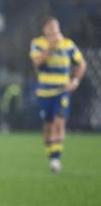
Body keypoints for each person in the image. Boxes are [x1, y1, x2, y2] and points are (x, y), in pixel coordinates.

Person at [29, 16, 86, 173]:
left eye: (57, 28)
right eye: (52, 28)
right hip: (44, 92)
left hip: (63, 91)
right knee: (47, 126)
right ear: (45, 30)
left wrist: (75, 81)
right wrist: (51, 47)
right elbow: (37, 62)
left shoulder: (68, 44)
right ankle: (52, 155)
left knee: (59, 122)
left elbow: (81, 63)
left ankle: (55, 160)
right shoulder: (38, 43)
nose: (55, 32)